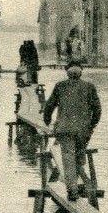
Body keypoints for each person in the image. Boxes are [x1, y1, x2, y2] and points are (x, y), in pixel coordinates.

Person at [43, 59, 101, 201]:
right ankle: (78, 184)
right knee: (79, 156)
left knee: (68, 158)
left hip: (65, 129)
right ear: (81, 72)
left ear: (67, 72)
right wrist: (91, 125)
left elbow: (49, 105)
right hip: (83, 130)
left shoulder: (60, 86)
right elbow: (97, 109)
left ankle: (72, 189)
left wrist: (47, 120)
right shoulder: (89, 87)